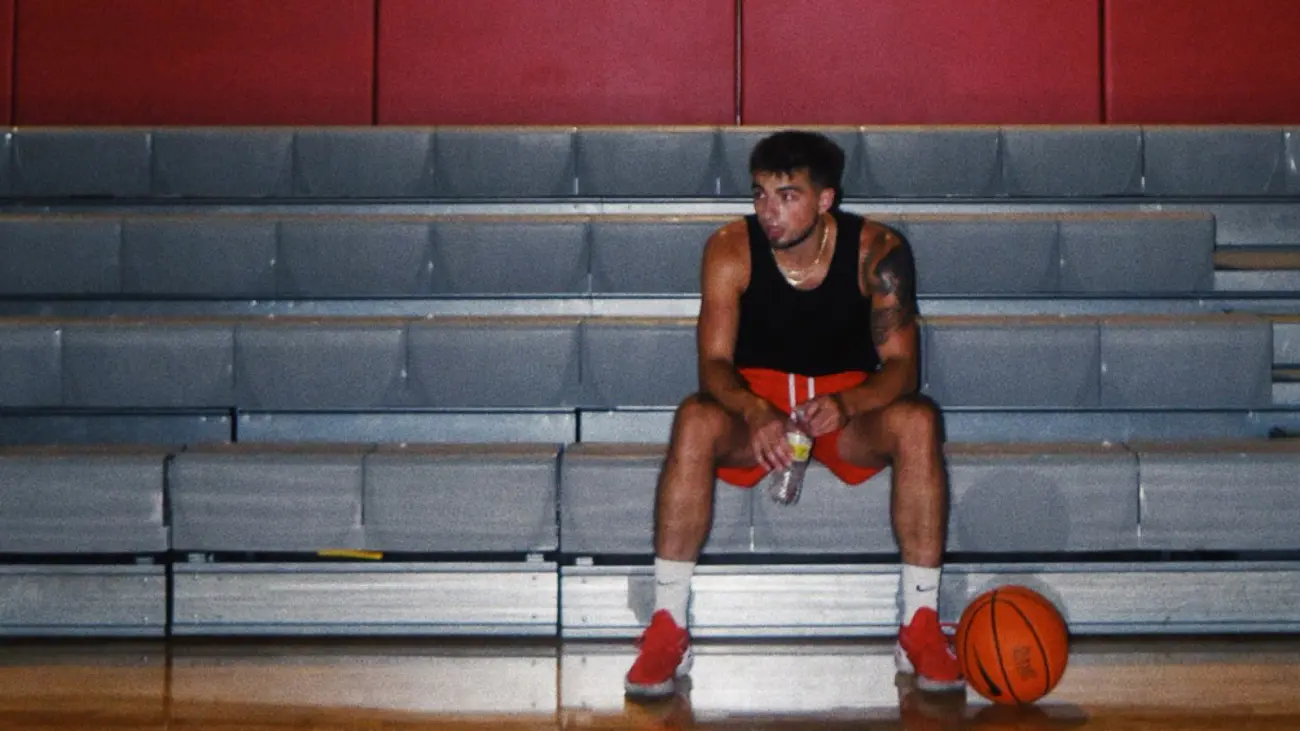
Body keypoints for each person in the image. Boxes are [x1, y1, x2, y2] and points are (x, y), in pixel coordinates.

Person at [623, 130, 963, 698]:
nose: (768, 211)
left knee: (918, 420)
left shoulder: (877, 251)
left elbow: (903, 368)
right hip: (757, 404)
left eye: (787, 196)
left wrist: (849, 403)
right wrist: (755, 410)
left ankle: (920, 624)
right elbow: (713, 363)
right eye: (759, 194)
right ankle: (667, 626)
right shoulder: (730, 248)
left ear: (826, 199)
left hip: (844, 409)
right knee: (694, 418)